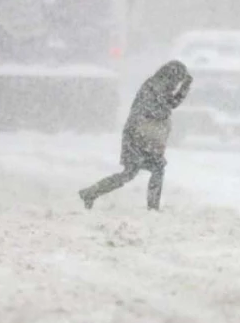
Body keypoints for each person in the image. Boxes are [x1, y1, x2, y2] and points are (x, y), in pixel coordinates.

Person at [79, 60, 193, 211]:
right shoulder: (154, 87)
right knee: (138, 171)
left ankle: (91, 193)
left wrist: (184, 88)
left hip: (144, 136)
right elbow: (162, 109)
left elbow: (170, 104)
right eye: (178, 80)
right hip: (137, 136)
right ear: (171, 76)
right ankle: (92, 193)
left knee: (140, 171)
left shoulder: (159, 86)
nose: (177, 84)